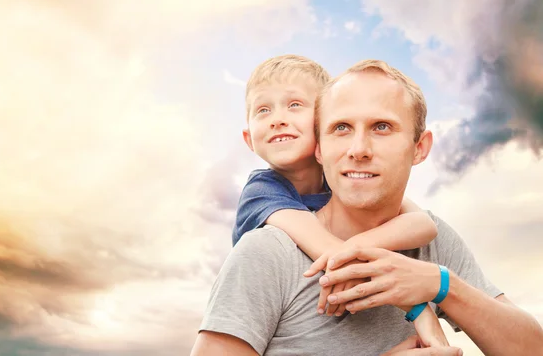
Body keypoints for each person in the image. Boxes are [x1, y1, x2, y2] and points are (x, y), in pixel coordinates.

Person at [192, 59, 543, 355]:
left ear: (419, 148)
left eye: (382, 127)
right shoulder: (268, 251)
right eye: (341, 128)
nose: (359, 148)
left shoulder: (435, 246)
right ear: (320, 146)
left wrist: (442, 286)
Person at [228, 54, 446, 344]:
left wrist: (359, 245)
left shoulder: (344, 182)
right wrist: (420, 308)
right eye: (263, 110)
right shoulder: (263, 191)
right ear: (248, 138)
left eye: (294, 105)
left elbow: (423, 226)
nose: (278, 120)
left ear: (323, 123)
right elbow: (333, 255)